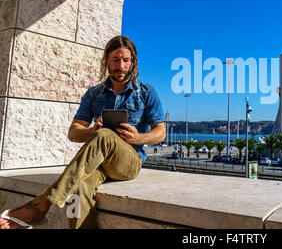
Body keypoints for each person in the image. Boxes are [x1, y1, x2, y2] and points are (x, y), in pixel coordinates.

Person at [0, 35, 166, 229]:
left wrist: (138, 137)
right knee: (79, 189)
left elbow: (160, 132)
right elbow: (74, 133)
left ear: (133, 62)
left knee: (105, 136)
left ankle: (43, 203)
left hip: (128, 162)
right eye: (115, 60)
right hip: (96, 163)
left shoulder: (146, 92)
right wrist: (91, 130)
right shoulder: (94, 93)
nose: (120, 65)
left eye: (126, 60)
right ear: (107, 61)